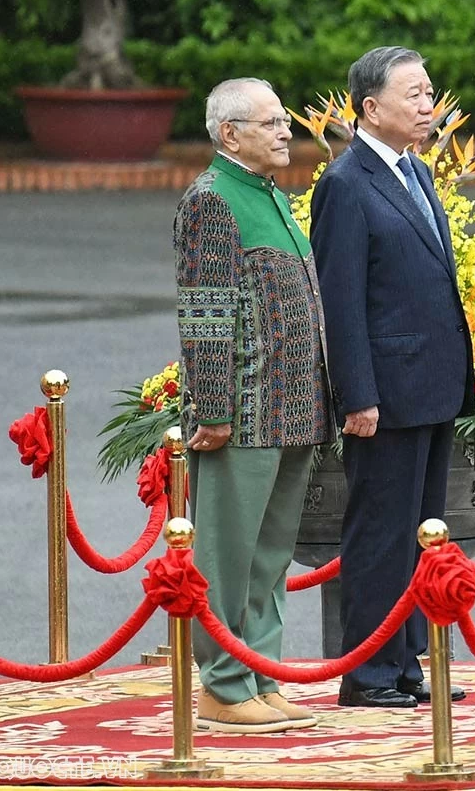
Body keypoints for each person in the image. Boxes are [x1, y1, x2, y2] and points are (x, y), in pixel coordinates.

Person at [310, 46, 475, 709]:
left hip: (430, 384)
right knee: (380, 532)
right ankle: (369, 673)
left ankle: (407, 662)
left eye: (430, 91)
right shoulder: (346, 183)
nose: (427, 104)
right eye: (412, 93)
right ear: (370, 107)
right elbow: (340, 297)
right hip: (386, 394)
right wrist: (359, 395)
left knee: (422, 531)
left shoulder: (416, 171)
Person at [175, 77, 333, 734]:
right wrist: (210, 408)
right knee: (229, 557)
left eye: (285, 124)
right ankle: (222, 686)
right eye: (269, 123)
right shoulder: (212, 200)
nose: (284, 134)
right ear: (229, 133)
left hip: (292, 409)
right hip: (241, 413)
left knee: (268, 560)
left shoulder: (268, 195)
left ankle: (259, 677)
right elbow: (205, 313)